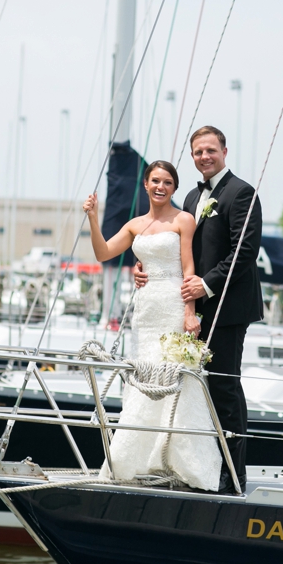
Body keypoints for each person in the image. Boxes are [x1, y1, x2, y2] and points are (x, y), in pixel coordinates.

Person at [135, 126, 263, 494]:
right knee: (193, 390)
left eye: (210, 150)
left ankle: (233, 474)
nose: (204, 157)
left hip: (227, 307)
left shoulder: (242, 193)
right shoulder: (190, 196)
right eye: (197, 152)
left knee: (223, 387)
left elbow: (244, 251)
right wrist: (142, 264)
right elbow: (172, 244)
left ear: (225, 150)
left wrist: (206, 284)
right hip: (189, 310)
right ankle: (198, 466)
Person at [83, 160, 222, 491]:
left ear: (174, 188)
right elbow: (103, 253)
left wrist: (190, 312)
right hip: (145, 311)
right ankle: (135, 461)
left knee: (174, 377)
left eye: (168, 182)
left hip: (173, 303)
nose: (161, 187)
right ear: (145, 184)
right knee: (144, 377)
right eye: (155, 181)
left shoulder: (183, 220)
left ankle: (182, 461)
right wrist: (92, 217)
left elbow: (189, 268)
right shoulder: (134, 225)